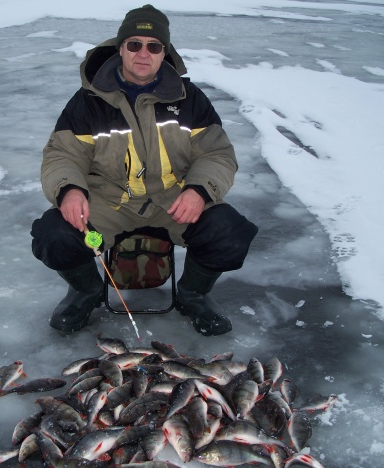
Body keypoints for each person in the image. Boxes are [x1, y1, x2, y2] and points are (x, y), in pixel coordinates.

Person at [31, 4, 258, 336]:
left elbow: (217, 154)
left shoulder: (190, 99)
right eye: (134, 44)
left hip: (173, 203)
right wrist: (69, 190)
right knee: (54, 235)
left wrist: (198, 190)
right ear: (120, 48)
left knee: (229, 232)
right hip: (109, 205)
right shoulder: (88, 101)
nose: (143, 53)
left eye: (154, 46)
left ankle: (194, 294)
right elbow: (63, 155)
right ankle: (86, 291)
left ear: (164, 53)